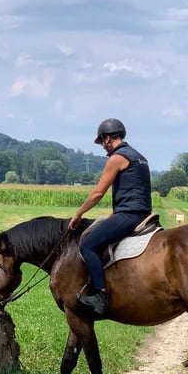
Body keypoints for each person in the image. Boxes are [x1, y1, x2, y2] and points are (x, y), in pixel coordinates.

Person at [68, 118, 152, 316]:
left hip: (129, 215)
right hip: (142, 213)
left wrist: (78, 213)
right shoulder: (140, 157)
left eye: (102, 142)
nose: (103, 148)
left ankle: (100, 295)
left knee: (87, 245)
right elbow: (134, 191)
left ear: (108, 138)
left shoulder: (117, 158)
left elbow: (98, 193)